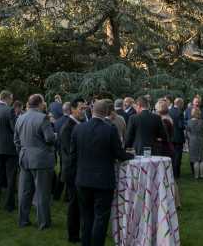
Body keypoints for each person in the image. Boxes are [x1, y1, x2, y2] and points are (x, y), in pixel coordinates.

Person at [70, 99, 134, 246]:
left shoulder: (78, 129)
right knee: (100, 218)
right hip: (103, 181)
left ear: (92, 111)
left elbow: (73, 155)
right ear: (106, 112)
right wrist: (132, 155)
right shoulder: (110, 129)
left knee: (86, 216)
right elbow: (119, 153)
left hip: (83, 179)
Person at [14, 93, 56, 229]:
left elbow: (16, 140)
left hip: (25, 157)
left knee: (24, 192)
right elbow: (49, 138)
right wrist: (56, 134)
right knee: (42, 193)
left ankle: (23, 220)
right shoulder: (43, 118)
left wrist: (23, 151)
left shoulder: (20, 118)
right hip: (41, 159)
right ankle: (43, 223)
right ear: (39, 103)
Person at [60, 99, 87, 243]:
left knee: (80, 204)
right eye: (81, 108)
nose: (84, 111)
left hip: (80, 171)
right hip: (73, 172)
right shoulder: (67, 128)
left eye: (85, 108)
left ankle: (81, 232)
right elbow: (69, 153)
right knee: (74, 205)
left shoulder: (80, 125)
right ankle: (73, 235)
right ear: (73, 110)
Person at [185, 107, 203, 179]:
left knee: (195, 159)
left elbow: (187, 133)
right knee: (202, 158)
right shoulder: (202, 122)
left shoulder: (188, 122)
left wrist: (190, 138)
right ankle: (202, 175)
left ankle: (196, 176)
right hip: (201, 139)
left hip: (192, 140)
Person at [168, 98, 186, 177]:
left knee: (171, 155)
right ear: (179, 104)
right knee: (178, 156)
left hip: (170, 136)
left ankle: (170, 172)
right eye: (182, 104)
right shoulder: (180, 112)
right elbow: (181, 126)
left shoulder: (169, 111)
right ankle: (176, 173)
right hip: (178, 137)